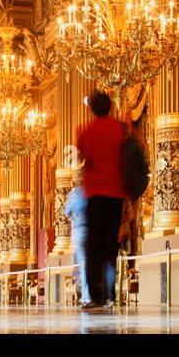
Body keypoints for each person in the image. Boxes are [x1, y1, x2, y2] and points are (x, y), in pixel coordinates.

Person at [74, 91, 127, 311]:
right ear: (109, 107)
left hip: (94, 194)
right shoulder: (120, 128)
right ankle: (109, 295)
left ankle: (94, 296)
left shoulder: (84, 131)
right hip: (116, 194)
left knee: (93, 247)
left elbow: (80, 157)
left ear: (92, 109)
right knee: (110, 247)